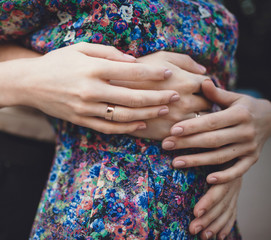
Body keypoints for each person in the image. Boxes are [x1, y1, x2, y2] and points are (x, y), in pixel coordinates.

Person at [1, 0, 266, 239]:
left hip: (205, 215)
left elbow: (231, 77)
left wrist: (255, 119)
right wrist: (35, 79)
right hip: (102, 212)